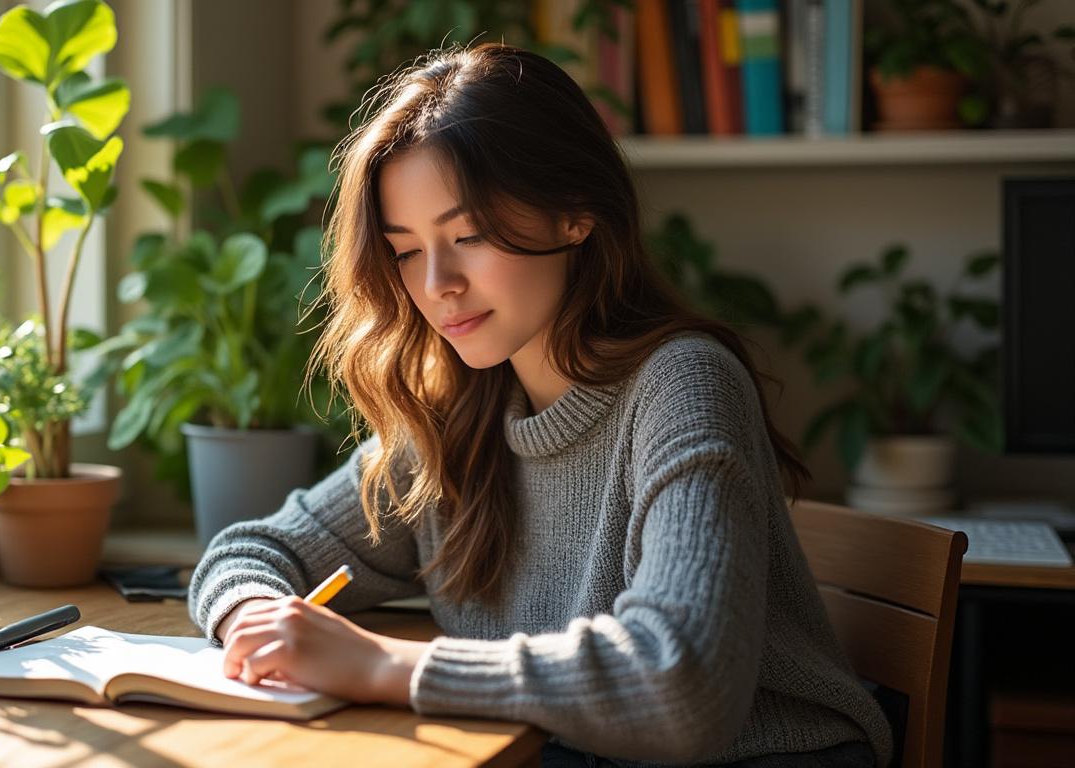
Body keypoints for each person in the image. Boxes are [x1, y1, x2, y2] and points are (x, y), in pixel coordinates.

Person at [186, 43, 892, 767]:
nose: (437, 284)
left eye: (469, 236)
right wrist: (258, 621)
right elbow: (251, 551)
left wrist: (382, 666)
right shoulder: (460, 414)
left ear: (574, 215)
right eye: (405, 250)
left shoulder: (683, 386)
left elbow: (681, 686)